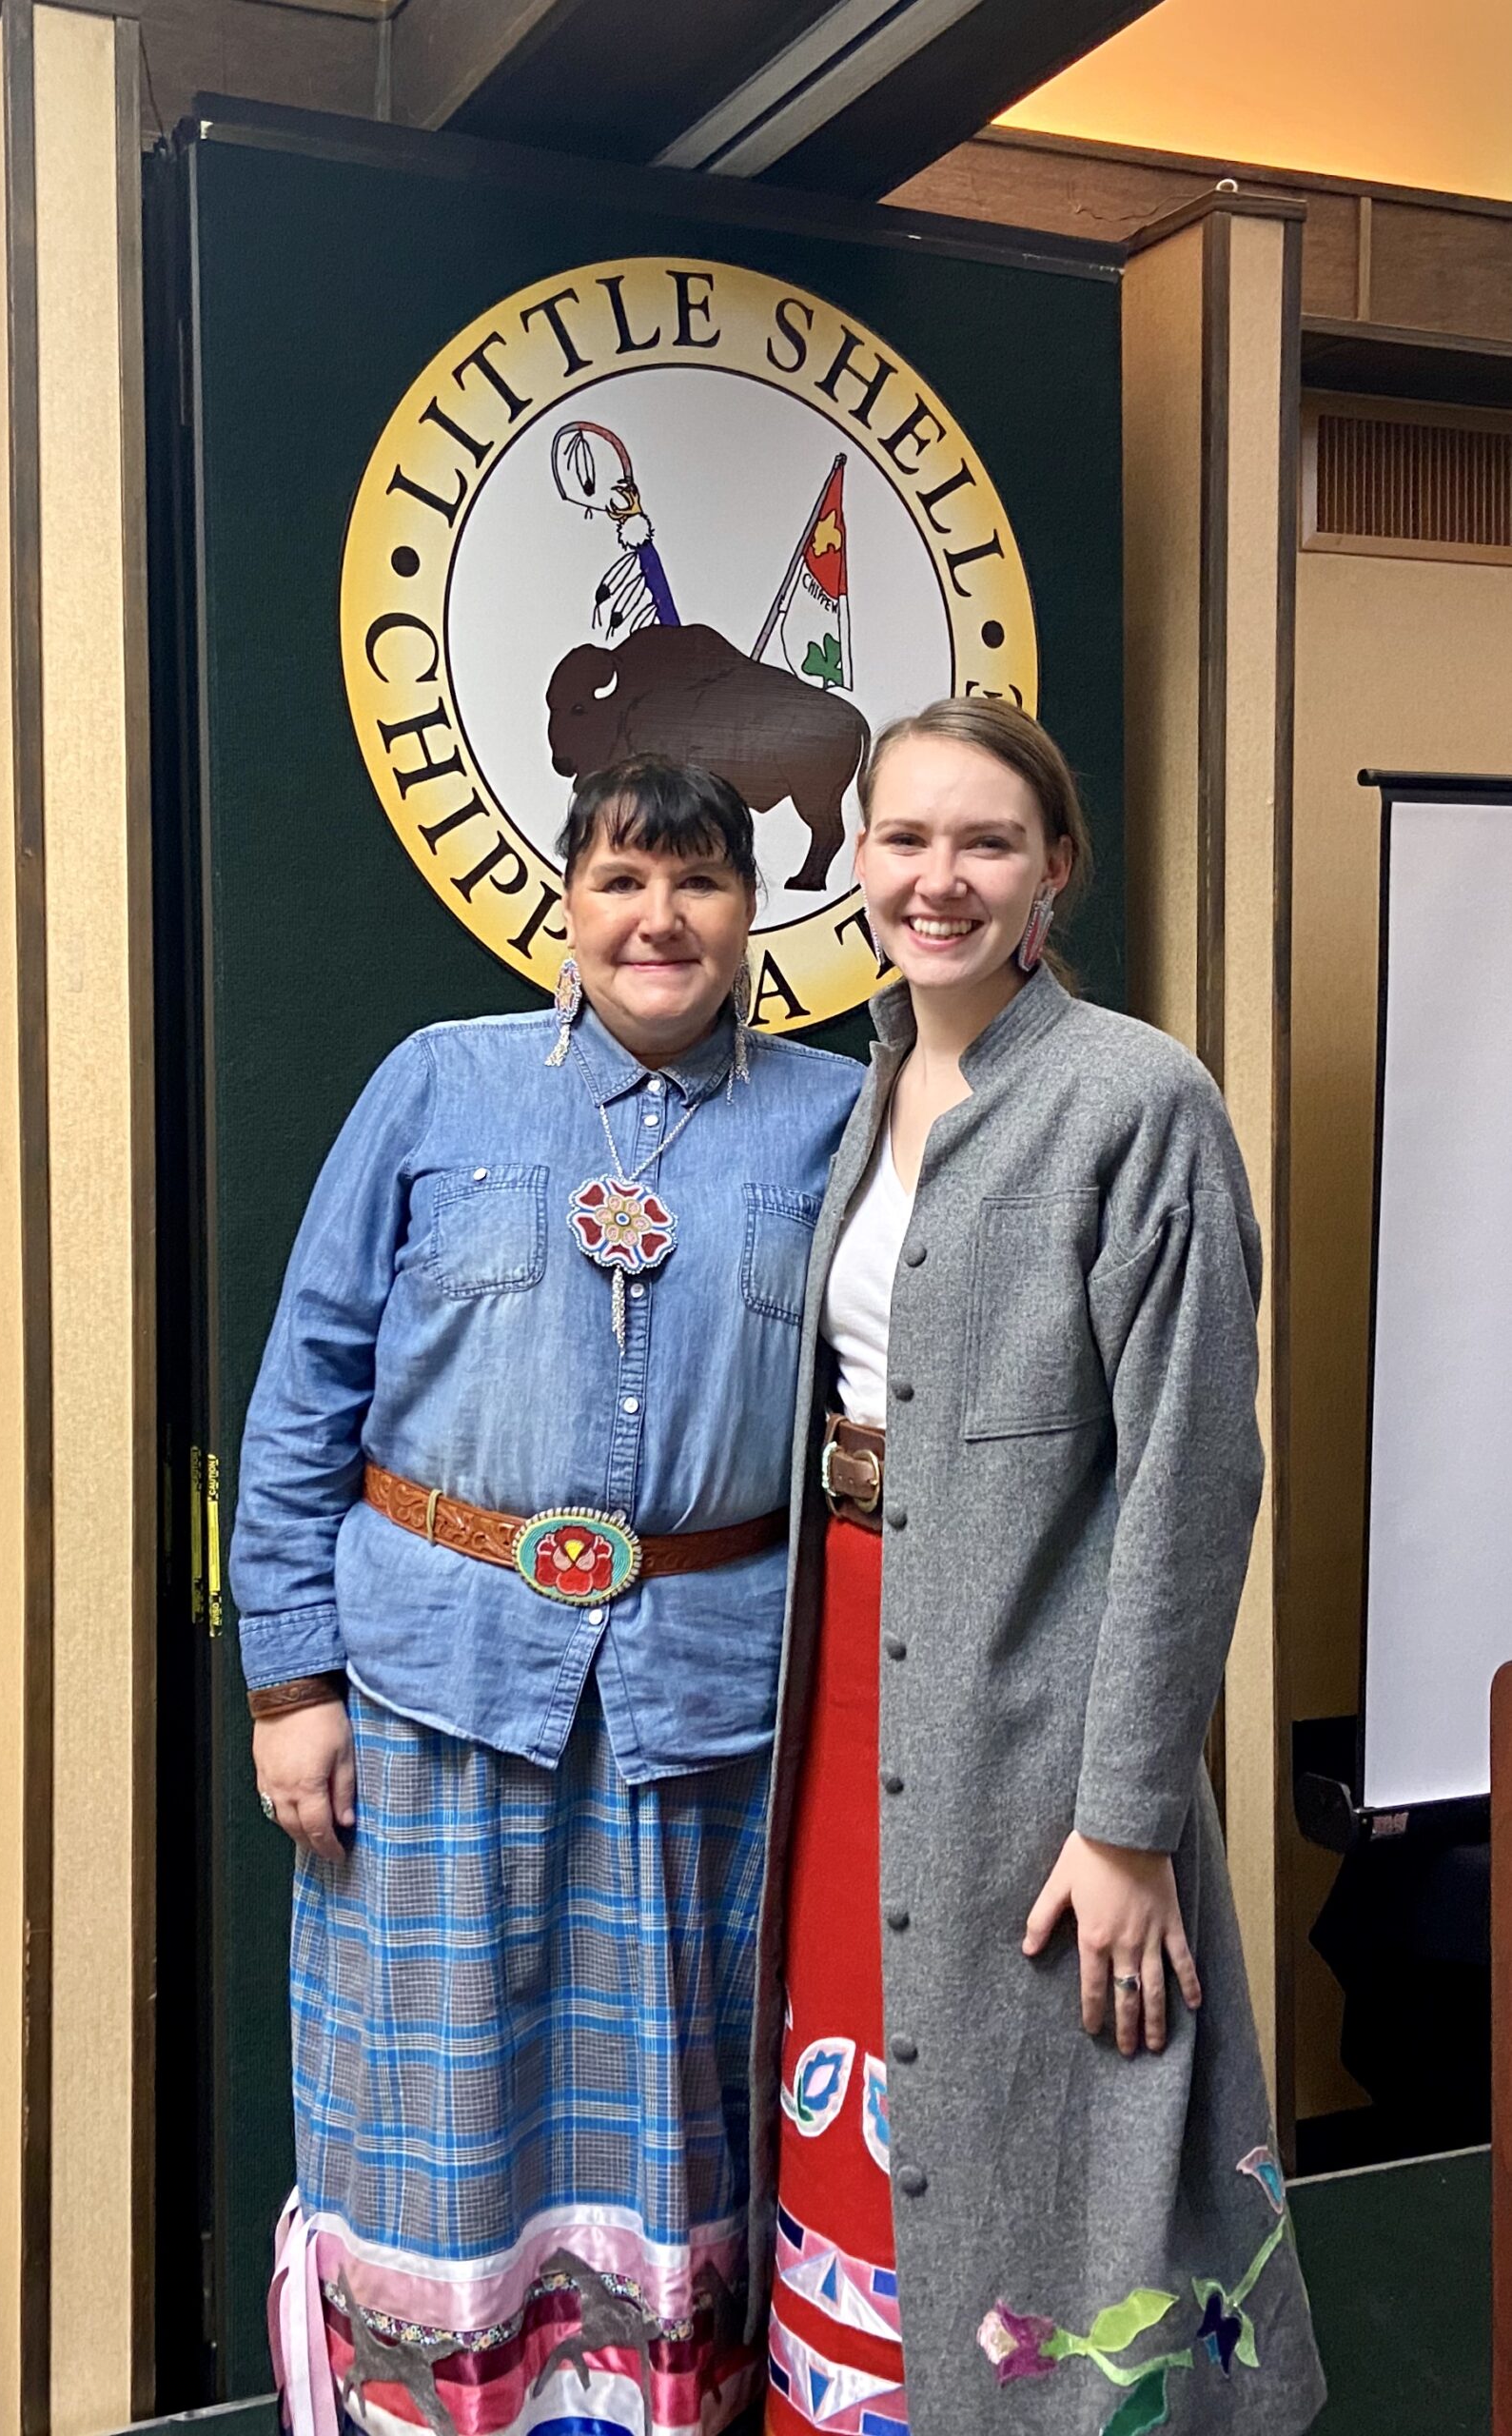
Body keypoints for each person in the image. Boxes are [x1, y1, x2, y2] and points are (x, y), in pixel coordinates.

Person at [230, 756, 861, 2436]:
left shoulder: (836, 1120)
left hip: (708, 1715)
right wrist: (291, 1689)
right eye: (623, 880)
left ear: (756, 910)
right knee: (436, 2093)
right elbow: (306, 1392)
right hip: (430, 1690)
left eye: (701, 882)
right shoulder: (435, 1088)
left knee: (679, 2103)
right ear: (564, 902)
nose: (660, 917)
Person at [751, 699, 1325, 2436]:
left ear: (1054, 871)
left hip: (1032, 1703)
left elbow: (1193, 1476)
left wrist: (1131, 1817)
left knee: (1057, 2109)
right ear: (857, 863)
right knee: (860, 2049)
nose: (941, 880)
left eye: (986, 843)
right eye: (906, 840)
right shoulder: (868, 1084)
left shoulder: (1134, 1096)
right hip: (846, 1660)